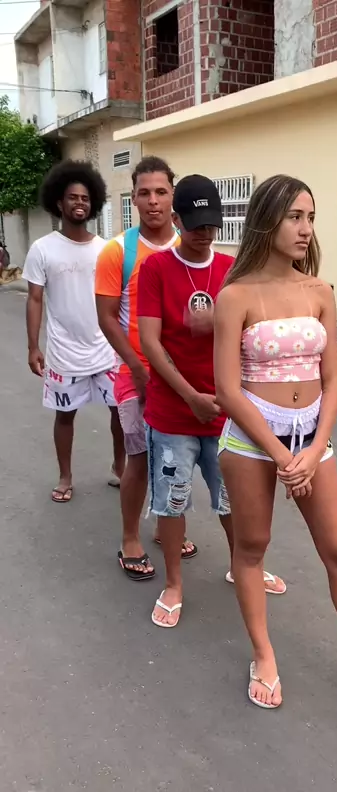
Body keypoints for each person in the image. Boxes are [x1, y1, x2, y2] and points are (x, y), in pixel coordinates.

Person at [214, 174, 337, 714]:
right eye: (295, 217)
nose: (306, 229)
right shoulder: (236, 295)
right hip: (254, 441)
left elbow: (333, 378)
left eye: (311, 218)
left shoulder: (319, 291)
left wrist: (316, 446)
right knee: (251, 548)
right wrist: (282, 457)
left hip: (311, 440)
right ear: (267, 220)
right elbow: (227, 389)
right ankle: (264, 656)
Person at [137, 174, 286, 627]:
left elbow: (254, 327)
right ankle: (173, 584)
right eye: (195, 223)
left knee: (235, 501)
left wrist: (217, 321)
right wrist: (191, 397)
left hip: (228, 413)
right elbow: (150, 342)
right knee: (172, 502)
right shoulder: (156, 269)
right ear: (177, 220)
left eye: (211, 224)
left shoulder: (232, 270)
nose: (204, 232)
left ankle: (245, 567)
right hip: (173, 414)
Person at [95, 156, 197, 581]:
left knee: (175, 459)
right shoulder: (118, 251)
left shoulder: (191, 246)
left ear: (173, 196)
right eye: (144, 193)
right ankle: (130, 538)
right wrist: (137, 368)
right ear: (133, 199)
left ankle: (164, 529)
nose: (153, 200)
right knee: (138, 457)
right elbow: (106, 318)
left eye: (161, 192)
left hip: (181, 377)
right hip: (133, 375)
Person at [25, 159, 125, 503]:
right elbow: (35, 299)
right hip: (64, 353)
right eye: (72, 197)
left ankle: (120, 468)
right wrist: (33, 346)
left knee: (121, 412)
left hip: (106, 350)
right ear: (59, 202)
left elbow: (118, 300)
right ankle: (65, 476)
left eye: (85, 198)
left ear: (92, 203)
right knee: (64, 415)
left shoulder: (106, 250)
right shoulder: (42, 249)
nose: (79, 203)